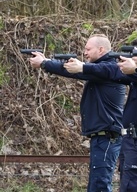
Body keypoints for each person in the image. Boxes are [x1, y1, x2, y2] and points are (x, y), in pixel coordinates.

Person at [63, 34, 137, 192]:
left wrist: (83, 67)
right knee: (127, 185)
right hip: (131, 137)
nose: (132, 57)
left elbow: (110, 70)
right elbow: (108, 70)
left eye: (136, 54)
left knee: (133, 186)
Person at [29, 34, 125, 192]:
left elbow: (75, 71)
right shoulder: (100, 69)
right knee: (96, 184)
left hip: (107, 136)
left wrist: (44, 63)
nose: (85, 52)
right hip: (102, 136)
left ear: (101, 50)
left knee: (100, 185)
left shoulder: (106, 68)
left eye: (88, 49)